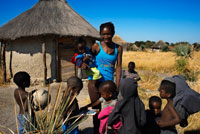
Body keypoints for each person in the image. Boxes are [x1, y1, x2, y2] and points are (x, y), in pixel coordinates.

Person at [85, 22, 123, 134]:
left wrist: (117, 84)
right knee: (95, 111)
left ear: (113, 33)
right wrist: (84, 62)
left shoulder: (118, 48)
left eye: (108, 34)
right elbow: (87, 58)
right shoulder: (97, 46)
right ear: (100, 34)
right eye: (103, 34)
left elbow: (119, 66)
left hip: (109, 84)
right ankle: (96, 131)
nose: (106, 36)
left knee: (110, 111)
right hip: (94, 83)